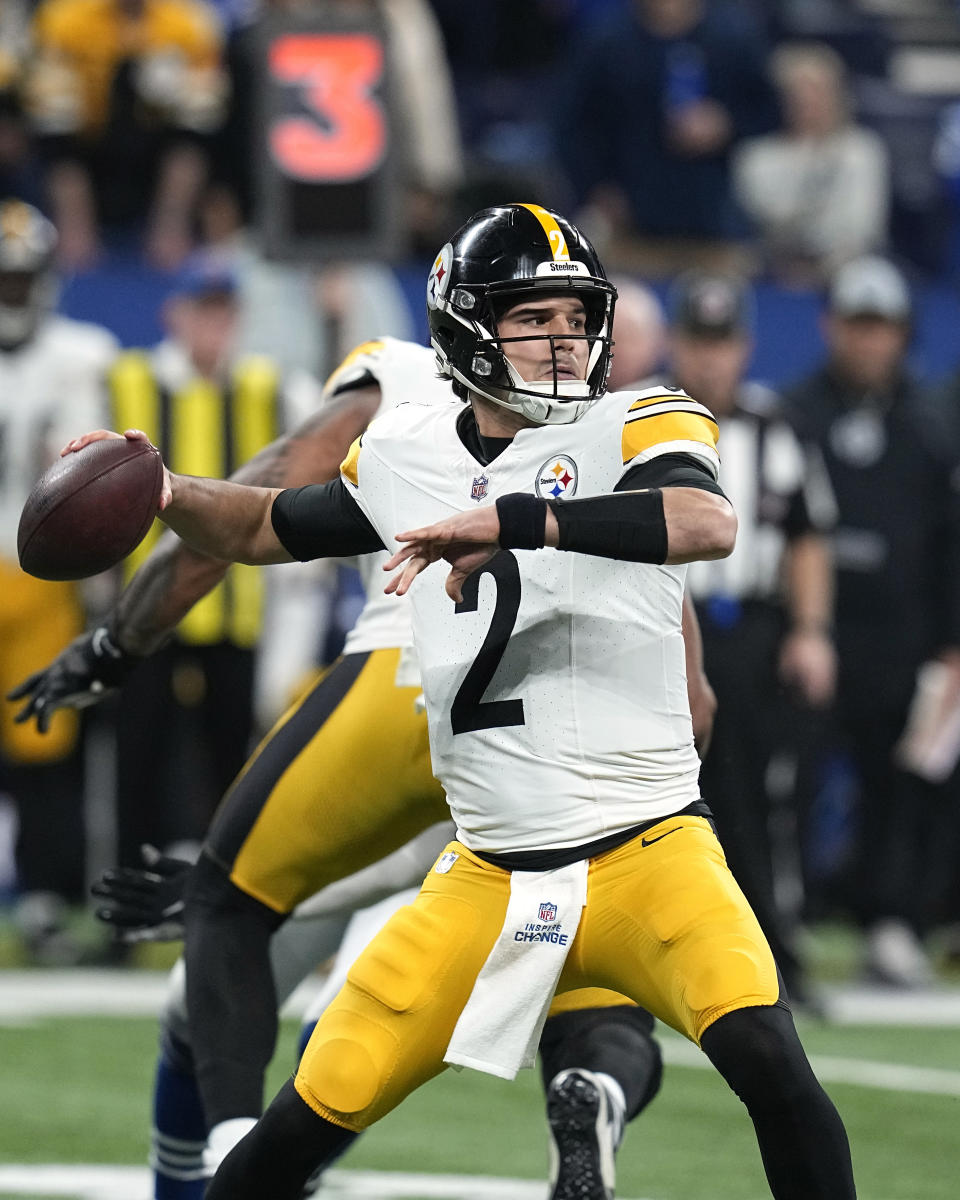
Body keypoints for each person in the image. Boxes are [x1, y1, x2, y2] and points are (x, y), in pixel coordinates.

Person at [61, 203, 856, 1198]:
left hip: (652, 851)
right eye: (535, 317)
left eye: (577, 316)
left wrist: (524, 519)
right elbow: (269, 525)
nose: (566, 339)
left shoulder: (642, 416)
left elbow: (706, 519)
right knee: (290, 1136)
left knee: (774, 1065)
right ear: (468, 325)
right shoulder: (409, 450)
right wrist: (169, 490)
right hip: (485, 877)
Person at [16, 331, 713, 1200]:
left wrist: (116, 645)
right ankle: (596, 1088)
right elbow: (691, 686)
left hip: (408, 687)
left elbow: (254, 508)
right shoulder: (621, 423)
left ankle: (237, 1161)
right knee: (577, 965)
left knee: (234, 918)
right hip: (569, 740)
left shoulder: (401, 377)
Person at [102, 249, 322, 868]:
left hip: (239, 610)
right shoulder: (125, 381)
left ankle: (220, 901)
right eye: (203, 310)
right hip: (148, 610)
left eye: (224, 312)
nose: (213, 325)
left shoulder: (276, 390)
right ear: (176, 314)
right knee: (137, 761)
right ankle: (127, 901)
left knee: (231, 765)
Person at [785, 255, 960, 988]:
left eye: (881, 326)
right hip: (819, 630)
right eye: (857, 324)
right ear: (832, 327)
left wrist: (950, 643)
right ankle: (783, 913)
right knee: (792, 778)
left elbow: (949, 541)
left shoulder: (927, 427)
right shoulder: (794, 416)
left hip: (902, 634)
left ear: (901, 334)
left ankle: (892, 919)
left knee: (900, 781)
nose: (868, 340)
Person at [664, 269, 837, 1005]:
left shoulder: (777, 426)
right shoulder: (643, 418)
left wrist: (810, 630)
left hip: (752, 632)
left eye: (723, 342)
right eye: (698, 341)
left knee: (764, 799)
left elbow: (807, 535)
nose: (710, 358)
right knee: (668, 798)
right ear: (677, 344)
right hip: (663, 630)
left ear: (745, 347)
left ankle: (775, 956)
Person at [0, 197, 118, 960]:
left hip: (41, 575)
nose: (13, 294)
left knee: (44, 746)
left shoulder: (83, 356)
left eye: (21, 280)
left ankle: (43, 902)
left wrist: (101, 579)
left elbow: (101, 476)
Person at [26, 0, 229, 268]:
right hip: (89, 154)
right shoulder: (61, 21)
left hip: (156, 160)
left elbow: (195, 133)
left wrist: (172, 223)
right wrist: (74, 223)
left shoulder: (192, 24)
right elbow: (54, 132)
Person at [733, 41, 891, 285]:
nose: (806, 99)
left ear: (838, 94)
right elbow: (765, 226)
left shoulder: (862, 151)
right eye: (796, 91)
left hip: (845, 277)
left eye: (817, 89)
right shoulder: (757, 157)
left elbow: (862, 229)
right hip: (774, 279)